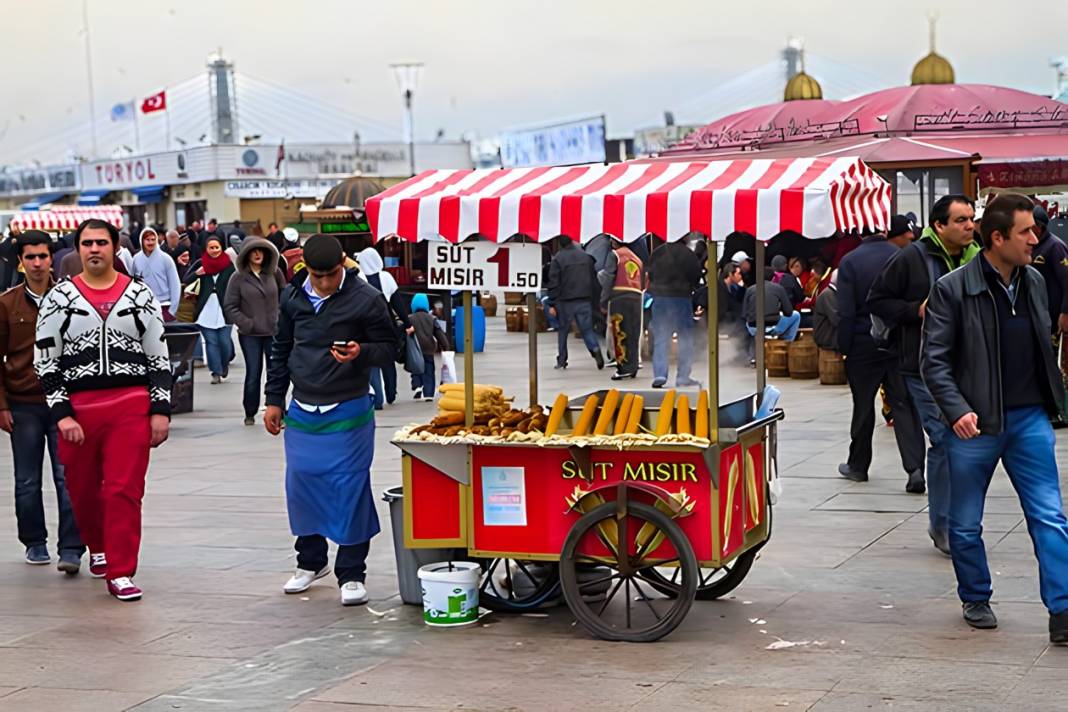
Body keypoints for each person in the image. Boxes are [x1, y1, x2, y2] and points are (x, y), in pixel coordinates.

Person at [921, 193, 1068, 641]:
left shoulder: (1036, 282)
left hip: (1029, 420)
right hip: (975, 425)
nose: (1035, 237)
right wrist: (957, 410)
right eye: (1025, 231)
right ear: (998, 237)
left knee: (1050, 516)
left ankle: (1062, 610)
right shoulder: (953, 288)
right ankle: (976, 594)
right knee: (964, 524)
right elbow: (934, 361)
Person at [34, 219, 171, 602]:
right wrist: (61, 413)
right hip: (78, 408)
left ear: (114, 248)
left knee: (123, 490)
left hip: (131, 405)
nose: (94, 249)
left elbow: (158, 355)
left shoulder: (139, 295)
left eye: (101, 243)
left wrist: (160, 409)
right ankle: (97, 546)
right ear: (78, 249)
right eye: (87, 243)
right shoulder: (58, 299)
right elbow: (46, 360)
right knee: (81, 489)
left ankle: (121, 570)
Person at [264, 234, 397, 606]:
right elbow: (281, 348)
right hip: (304, 407)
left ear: (344, 263)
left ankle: (352, 572)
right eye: (318, 275)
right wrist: (273, 399)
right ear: (306, 268)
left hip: (349, 406)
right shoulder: (292, 296)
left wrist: (361, 352)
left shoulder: (366, 298)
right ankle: (310, 561)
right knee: (301, 484)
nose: (324, 282)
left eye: (332, 274)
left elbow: (391, 349)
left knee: (349, 486)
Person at [868, 204, 980, 553]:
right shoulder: (912, 258)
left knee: (967, 444)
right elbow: (877, 300)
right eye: (960, 220)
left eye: (971, 219)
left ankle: (959, 520)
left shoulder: (977, 257)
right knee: (945, 439)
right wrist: (915, 310)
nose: (969, 226)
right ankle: (943, 525)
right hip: (921, 364)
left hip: (970, 365)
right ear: (938, 225)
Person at [0, 231, 84, 572]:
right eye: (30, 257)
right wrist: (2, 404)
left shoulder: (71, 299)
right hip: (23, 402)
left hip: (64, 403)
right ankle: (34, 541)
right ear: (21, 262)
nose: (37, 263)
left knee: (68, 478)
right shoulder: (7, 304)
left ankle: (72, 547)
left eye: (42, 256)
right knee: (27, 480)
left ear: (52, 259)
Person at [836, 227, 925, 490]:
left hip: (863, 344)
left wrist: (844, 347)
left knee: (863, 406)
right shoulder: (901, 256)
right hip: (898, 342)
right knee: (904, 405)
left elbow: (846, 312)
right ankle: (915, 469)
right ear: (885, 230)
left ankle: (858, 465)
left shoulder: (850, 261)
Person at [224, 237, 286, 425]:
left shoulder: (275, 273)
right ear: (246, 255)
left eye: (261, 250)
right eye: (253, 251)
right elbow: (230, 306)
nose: (258, 254)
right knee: (254, 372)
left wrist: (281, 318)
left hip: (273, 331)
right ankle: (250, 411)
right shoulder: (237, 278)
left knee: (276, 372)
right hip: (250, 334)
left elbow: (286, 298)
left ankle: (279, 411)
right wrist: (246, 323)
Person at [1029, 205, 1068, 424]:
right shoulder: (1030, 247)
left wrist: (1065, 312)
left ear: (1039, 226)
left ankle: (1058, 410)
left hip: (1055, 318)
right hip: (1038, 317)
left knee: (1055, 366)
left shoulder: (1055, 247)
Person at [357, 248, 409, 409]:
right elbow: (397, 303)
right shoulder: (386, 277)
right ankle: (391, 393)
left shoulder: (359, 278)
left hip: (365, 327)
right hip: (386, 324)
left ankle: (377, 399)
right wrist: (408, 323)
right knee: (387, 360)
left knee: (372, 362)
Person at [647, 237, 702, 387]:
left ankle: (660, 375)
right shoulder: (688, 254)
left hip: (660, 298)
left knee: (661, 337)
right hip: (681, 298)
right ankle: (683, 376)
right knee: (685, 338)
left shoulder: (657, 253)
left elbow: (650, 274)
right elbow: (696, 276)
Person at [546, 234, 603, 371]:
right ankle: (595, 349)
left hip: (565, 301)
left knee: (563, 331)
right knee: (587, 329)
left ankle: (562, 360)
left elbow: (554, 283)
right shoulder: (585, 256)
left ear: (559, 243)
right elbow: (594, 280)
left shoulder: (558, 259)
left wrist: (552, 303)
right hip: (584, 299)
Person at [597, 237, 644, 380]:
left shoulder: (615, 255)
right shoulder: (637, 258)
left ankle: (623, 367)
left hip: (620, 297)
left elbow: (609, 277)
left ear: (614, 241)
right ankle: (633, 366)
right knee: (633, 333)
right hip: (636, 297)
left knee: (620, 333)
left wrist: (603, 302)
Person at [742, 268, 801, 362]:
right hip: (773, 326)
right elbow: (789, 312)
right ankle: (787, 344)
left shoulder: (750, 289)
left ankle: (752, 355)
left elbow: (744, 314)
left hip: (754, 328)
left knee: (748, 321)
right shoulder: (778, 288)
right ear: (773, 278)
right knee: (796, 315)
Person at [131, 227, 181, 322]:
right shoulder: (136, 259)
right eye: (147, 240)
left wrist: (172, 311)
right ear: (142, 241)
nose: (150, 242)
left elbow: (175, 285)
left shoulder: (166, 259)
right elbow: (132, 283)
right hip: (143, 307)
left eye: (153, 239)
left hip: (165, 307)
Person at [408, 292, 449, 400]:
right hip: (428, 348)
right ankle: (429, 394)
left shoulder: (410, 319)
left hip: (414, 348)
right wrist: (446, 347)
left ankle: (417, 385)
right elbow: (439, 334)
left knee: (415, 367)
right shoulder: (432, 319)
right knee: (429, 371)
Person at [812, 269, 839, 351]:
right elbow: (837, 320)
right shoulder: (828, 294)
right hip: (827, 338)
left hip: (830, 337)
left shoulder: (832, 293)